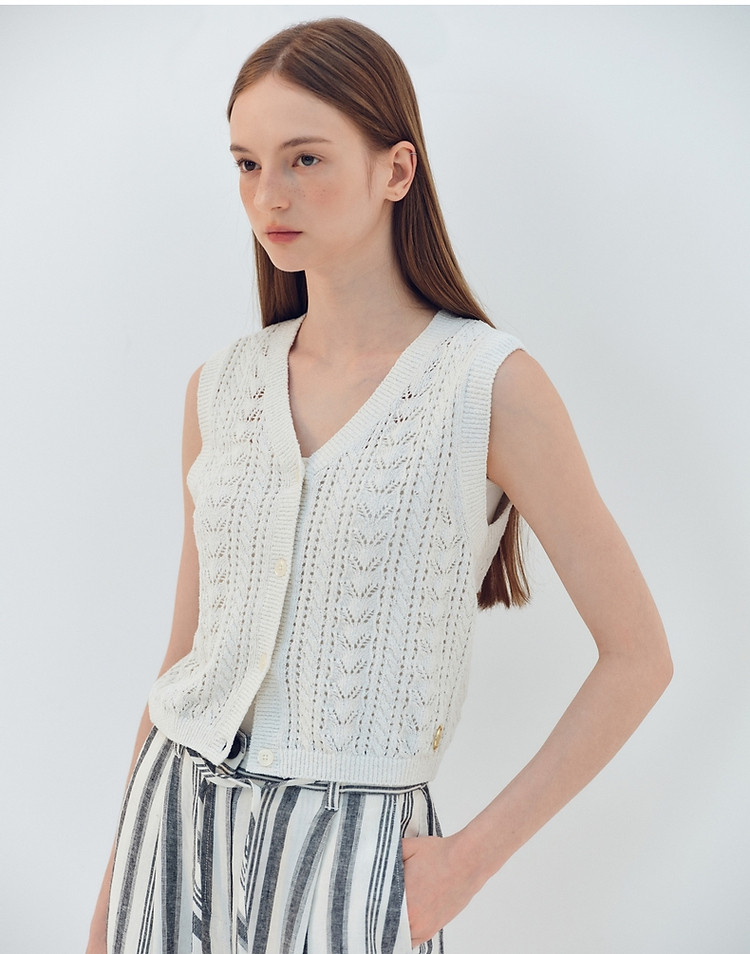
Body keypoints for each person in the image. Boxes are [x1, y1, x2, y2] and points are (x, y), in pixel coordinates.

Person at [86, 17, 673, 954]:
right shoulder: (221, 388)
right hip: (174, 822)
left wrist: (468, 862)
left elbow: (640, 656)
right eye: (246, 164)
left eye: (305, 159)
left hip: (355, 857)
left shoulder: (488, 387)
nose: (268, 195)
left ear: (396, 170)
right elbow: (183, 658)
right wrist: (114, 900)